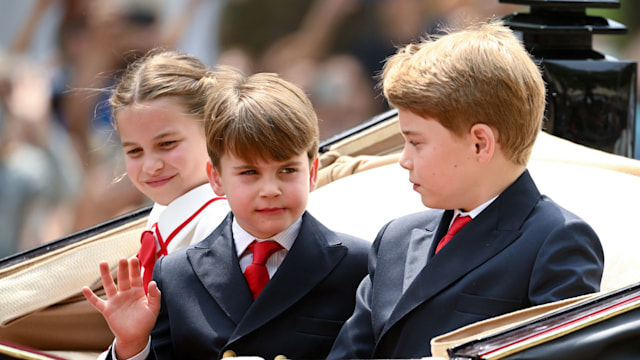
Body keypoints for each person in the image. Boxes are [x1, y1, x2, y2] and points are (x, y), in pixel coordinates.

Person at [327, 20, 605, 359]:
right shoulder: (396, 239)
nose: (404, 160)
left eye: (415, 142)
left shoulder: (556, 241)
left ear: (479, 144)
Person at [82, 67, 370, 359]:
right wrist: (132, 345)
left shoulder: (358, 264)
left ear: (313, 172)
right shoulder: (177, 273)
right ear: (216, 177)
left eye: (287, 170)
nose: (270, 189)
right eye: (249, 172)